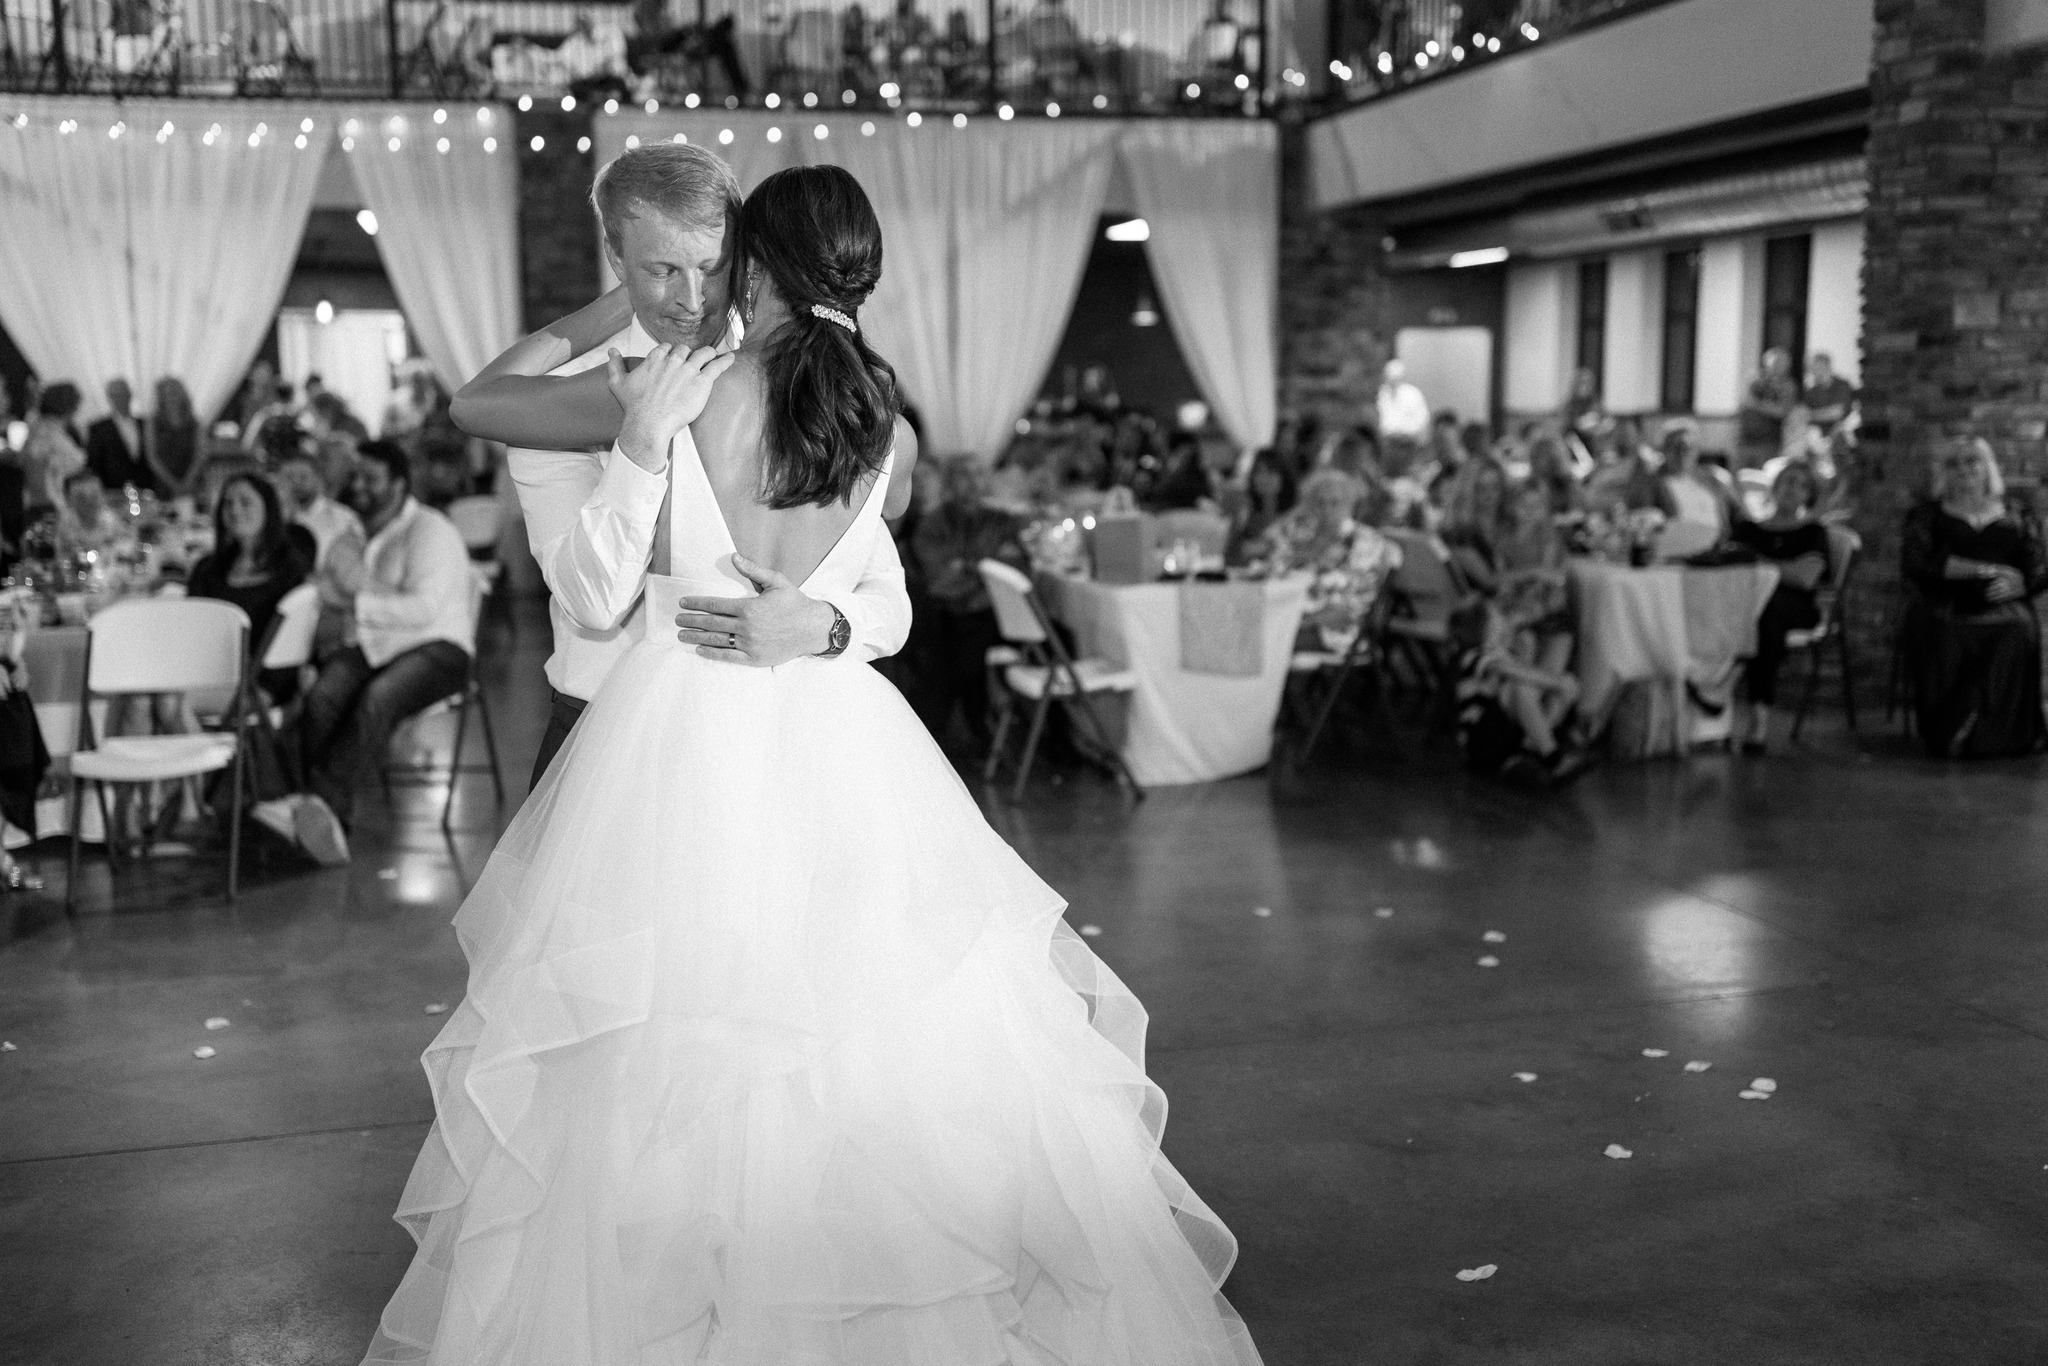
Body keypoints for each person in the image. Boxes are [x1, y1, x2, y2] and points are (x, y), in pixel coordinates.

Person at [359, 165, 1263, 1366]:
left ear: (759, 268)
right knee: (862, 1049)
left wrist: (656, 458)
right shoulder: (875, 409)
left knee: (661, 1060)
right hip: (840, 750)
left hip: (677, 749)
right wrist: (826, 629)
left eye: (719, 259)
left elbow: (588, 579)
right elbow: (880, 606)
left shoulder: (670, 391)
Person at [450, 142, 915, 790]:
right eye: (663, 269)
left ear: (751, 263)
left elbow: (885, 595)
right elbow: (592, 601)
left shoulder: (816, 397)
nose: (692, 298)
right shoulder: (583, 389)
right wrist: (622, 313)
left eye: (712, 266)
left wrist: (828, 624)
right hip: (594, 738)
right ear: (616, 257)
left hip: (775, 747)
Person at [295, 442, 476, 863]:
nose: (358, 486)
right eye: (356, 476)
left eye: (370, 479)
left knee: (377, 699)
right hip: (377, 646)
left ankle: (316, 810)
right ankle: (321, 813)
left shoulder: (432, 531)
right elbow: (326, 588)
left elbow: (423, 608)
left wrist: (354, 604)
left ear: (398, 486)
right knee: (323, 695)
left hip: (441, 650)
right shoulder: (353, 534)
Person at [1900, 437, 2048, 758]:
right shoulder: (1928, 515)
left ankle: (2000, 734)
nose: (1964, 470)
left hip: (2004, 604)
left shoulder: (2016, 512)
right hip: (1947, 603)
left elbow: (2038, 569)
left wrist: (2022, 584)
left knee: (2017, 630)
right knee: (1948, 631)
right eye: (1954, 464)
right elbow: (1919, 565)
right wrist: (1989, 570)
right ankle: (1954, 730)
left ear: (1987, 467)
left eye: (1972, 461)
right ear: (1944, 473)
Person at [910, 454, 1027, 751]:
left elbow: (1021, 569)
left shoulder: (1001, 520)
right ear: (950, 482)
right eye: (964, 475)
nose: (974, 482)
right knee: (962, 642)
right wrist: (987, 571)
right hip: (952, 616)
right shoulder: (933, 524)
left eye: (979, 474)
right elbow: (940, 582)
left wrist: (967, 567)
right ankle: (977, 728)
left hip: (995, 615)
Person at [1728, 462, 1832, 754]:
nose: (1791, 489)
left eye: (1800, 484)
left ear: (1808, 494)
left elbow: (1804, 577)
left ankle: (1759, 714)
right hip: (1744, 600)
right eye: (1786, 481)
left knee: (1767, 616)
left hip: (1793, 606)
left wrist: (1759, 564)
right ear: (1773, 488)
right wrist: (1778, 567)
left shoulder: (1812, 532)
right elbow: (1729, 563)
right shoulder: (1750, 529)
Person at [1253, 468, 1402, 653]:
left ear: (1350, 504)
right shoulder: (1299, 533)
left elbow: (1349, 606)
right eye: (1319, 503)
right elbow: (1270, 565)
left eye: (1335, 503)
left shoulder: (1364, 541)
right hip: (1284, 615)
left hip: (1332, 629)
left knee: (1264, 640)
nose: (1327, 510)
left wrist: (1305, 620)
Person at [274, 447, 367, 660]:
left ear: (318, 478)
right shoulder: (275, 518)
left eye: (303, 476)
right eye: (289, 477)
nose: (296, 483)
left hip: (327, 604)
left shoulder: (343, 519)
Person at [1657, 419, 1740, 545]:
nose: (1681, 453)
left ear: (1697, 449)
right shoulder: (1653, 483)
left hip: (1718, 550)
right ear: (1664, 450)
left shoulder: (1714, 478)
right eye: (1675, 447)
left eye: (1688, 447)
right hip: (1678, 550)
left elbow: (1739, 515)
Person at [85, 378, 162, 495]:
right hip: (114, 491)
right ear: (109, 398)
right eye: (115, 395)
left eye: (123, 394)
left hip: (146, 489)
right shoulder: (98, 428)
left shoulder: (145, 423)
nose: (120, 399)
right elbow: (94, 463)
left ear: (130, 395)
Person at [22, 382, 87, 513]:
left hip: (52, 499)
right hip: (46, 503)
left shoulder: (50, 428)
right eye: (75, 405)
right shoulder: (44, 431)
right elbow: (74, 461)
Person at [1227, 448, 1296, 564]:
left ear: (1284, 476)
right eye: (1259, 472)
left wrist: (1266, 548)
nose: (1263, 478)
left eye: (1271, 472)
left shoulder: (1294, 514)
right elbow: (1230, 556)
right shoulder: (1245, 512)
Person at [53, 469, 136, 559]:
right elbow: (60, 556)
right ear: (68, 500)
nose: (89, 502)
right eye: (81, 498)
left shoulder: (112, 521)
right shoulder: (64, 526)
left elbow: (128, 548)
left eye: (94, 495)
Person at [1737, 348, 1798, 468]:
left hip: (1769, 442)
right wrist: (1767, 406)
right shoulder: (1754, 379)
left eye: (1782, 363)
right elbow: (1745, 401)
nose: (1778, 367)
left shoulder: (1788, 386)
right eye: (1775, 363)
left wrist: (1757, 404)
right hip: (1745, 439)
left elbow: (1781, 411)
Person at [1373, 358, 1430, 473]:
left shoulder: (1412, 394)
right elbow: (1378, 417)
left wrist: (1406, 434)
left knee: (1406, 472)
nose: (1392, 380)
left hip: (1407, 444)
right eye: (1389, 377)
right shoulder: (1382, 394)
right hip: (1387, 444)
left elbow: (1422, 418)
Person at [147, 377, 201, 493]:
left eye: (174, 393)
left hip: (191, 483)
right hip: (162, 484)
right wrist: (173, 484)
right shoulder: (153, 423)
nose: (171, 398)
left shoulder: (195, 424)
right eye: (166, 395)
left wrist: (187, 482)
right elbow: (152, 458)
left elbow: (199, 456)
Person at [1802, 352, 1857, 438]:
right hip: (1819, 435)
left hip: (1842, 429)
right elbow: (1803, 414)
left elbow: (1837, 412)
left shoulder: (1842, 384)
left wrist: (1811, 415)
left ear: (1828, 367)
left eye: (1820, 368)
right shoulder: (1811, 392)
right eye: (1813, 369)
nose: (1816, 372)